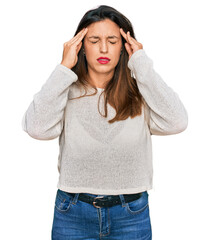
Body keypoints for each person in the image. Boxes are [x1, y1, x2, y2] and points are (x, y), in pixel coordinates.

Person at [22, 5, 188, 240]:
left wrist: (140, 61)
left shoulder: (141, 94)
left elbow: (177, 121)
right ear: (80, 46)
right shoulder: (65, 91)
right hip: (72, 213)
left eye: (112, 40)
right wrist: (62, 68)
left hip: (131, 214)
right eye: (94, 40)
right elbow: (36, 128)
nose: (103, 48)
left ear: (123, 47)